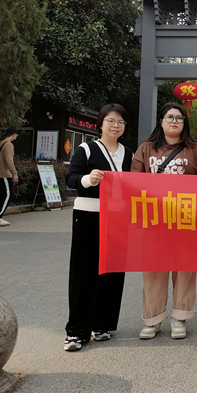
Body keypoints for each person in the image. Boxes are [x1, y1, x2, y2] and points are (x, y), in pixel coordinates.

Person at [133, 103, 197, 340]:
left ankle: (179, 317)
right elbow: (134, 182)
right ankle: (153, 319)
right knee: (154, 269)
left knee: (185, 269)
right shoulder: (146, 148)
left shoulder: (196, 151)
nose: (174, 121)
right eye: (169, 117)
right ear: (161, 121)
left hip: (186, 220)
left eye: (179, 118)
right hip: (154, 221)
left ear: (185, 123)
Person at [64, 104, 132, 352]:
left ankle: (103, 324)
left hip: (118, 218)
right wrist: (88, 179)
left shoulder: (129, 154)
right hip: (88, 216)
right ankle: (76, 331)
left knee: (113, 271)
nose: (116, 126)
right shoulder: (86, 149)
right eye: (111, 121)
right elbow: (71, 178)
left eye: (121, 122)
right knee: (84, 273)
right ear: (100, 124)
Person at [0, 129, 19, 227]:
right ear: (13, 135)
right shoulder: (9, 145)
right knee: (7, 195)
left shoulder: (0, 143)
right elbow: (9, 160)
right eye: (16, 135)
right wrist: (14, 173)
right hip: (4, 174)